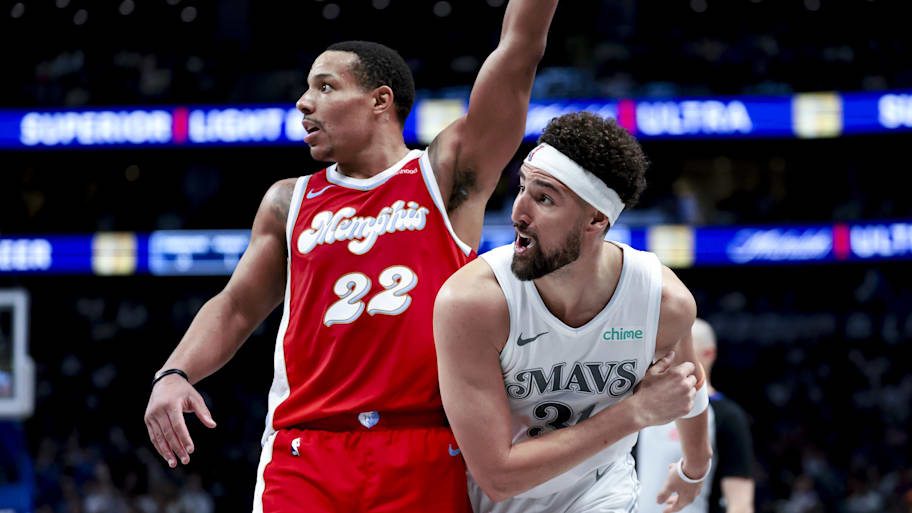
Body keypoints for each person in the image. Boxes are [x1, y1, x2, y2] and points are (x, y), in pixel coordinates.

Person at [142, 1, 560, 511]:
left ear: (380, 100)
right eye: (307, 89)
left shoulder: (444, 174)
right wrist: (175, 372)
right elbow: (235, 307)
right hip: (307, 447)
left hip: (425, 442)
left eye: (325, 87)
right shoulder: (288, 200)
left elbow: (518, 52)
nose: (304, 103)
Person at [433, 111, 713, 513]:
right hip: (496, 500)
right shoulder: (473, 302)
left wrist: (694, 470)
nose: (517, 212)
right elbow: (498, 477)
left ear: (596, 219)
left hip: (604, 493)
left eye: (544, 199)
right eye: (522, 188)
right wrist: (634, 413)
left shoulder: (661, 300)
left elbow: (688, 384)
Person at [637, 318, 755, 513]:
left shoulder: (728, 416)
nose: (667, 358)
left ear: (709, 354)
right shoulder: (643, 409)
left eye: (677, 350)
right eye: (662, 350)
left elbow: (740, 503)